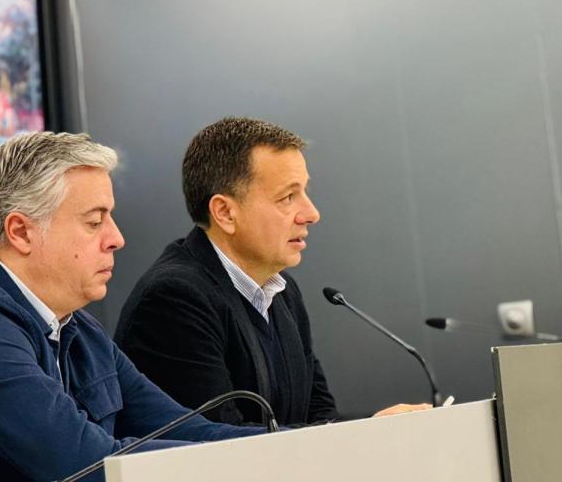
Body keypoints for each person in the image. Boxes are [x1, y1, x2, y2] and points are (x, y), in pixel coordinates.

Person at [0, 131, 263, 481]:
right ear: (21, 232)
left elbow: (187, 430)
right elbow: (87, 466)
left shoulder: (75, 327)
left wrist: (290, 446)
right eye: (94, 221)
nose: (116, 238)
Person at [115, 117, 429, 427]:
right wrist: (365, 433)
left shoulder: (282, 292)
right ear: (225, 213)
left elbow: (319, 418)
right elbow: (220, 443)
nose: (312, 214)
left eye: (305, 192)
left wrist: (377, 427)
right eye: (288, 197)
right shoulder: (174, 299)